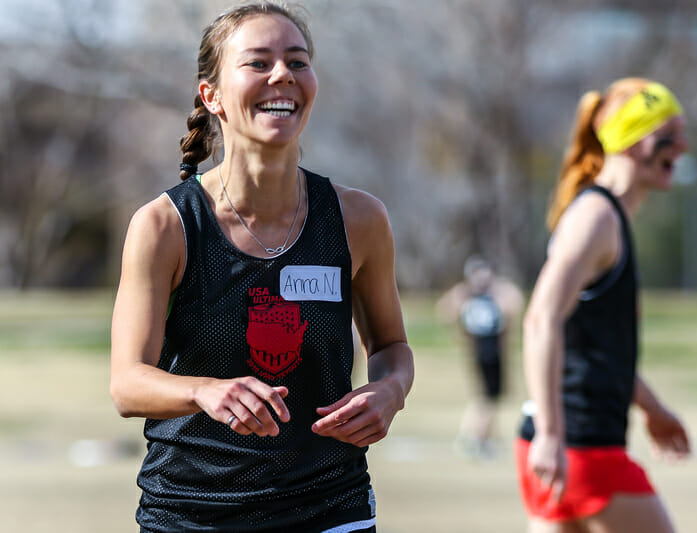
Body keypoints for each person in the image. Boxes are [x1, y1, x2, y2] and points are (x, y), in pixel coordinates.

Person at [109, 3, 413, 532]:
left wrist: (389, 391)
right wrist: (204, 390)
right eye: (258, 63)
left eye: (297, 62)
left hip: (331, 507)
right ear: (212, 96)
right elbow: (128, 385)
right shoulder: (165, 226)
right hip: (191, 515)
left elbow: (391, 348)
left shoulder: (359, 218)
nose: (282, 76)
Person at [515, 78, 691, 533]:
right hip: (578, 444)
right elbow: (540, 320)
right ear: (631, 141)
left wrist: (652, 408)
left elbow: (598, 347)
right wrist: (554, 437)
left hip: (562, 440)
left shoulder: (608, 217)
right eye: (668, 135)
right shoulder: (596, 218)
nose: (683, 147)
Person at [437, 256, 523, 459]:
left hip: (492, 350)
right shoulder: (469, 294)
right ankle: (472, 436)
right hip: (485, 351)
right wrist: (461, 334)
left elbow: (513, 305)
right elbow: (446, 309)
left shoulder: (491, 294)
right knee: (487, 397)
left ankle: (487, 438)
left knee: (492, 396)